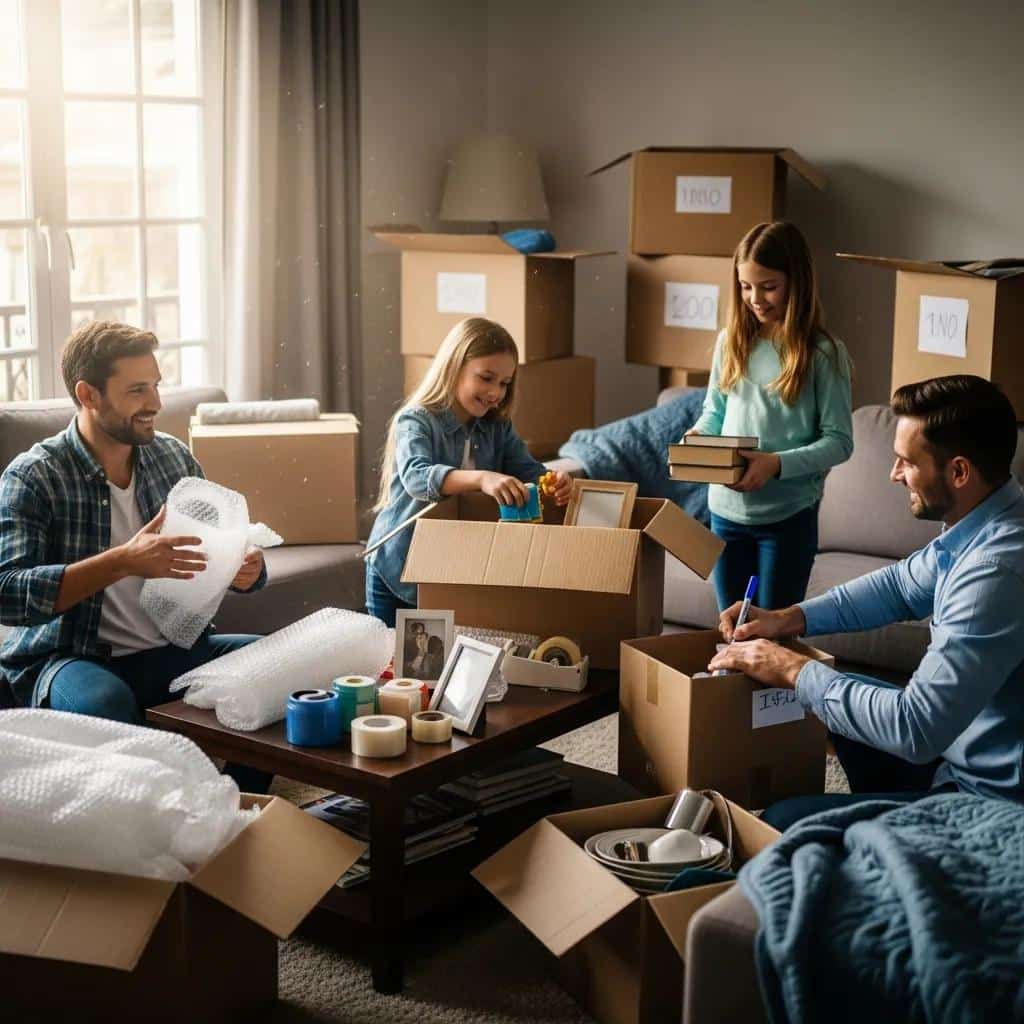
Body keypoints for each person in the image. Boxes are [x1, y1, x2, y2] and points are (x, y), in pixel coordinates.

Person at [709, 375, 1024, 829]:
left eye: (905, 462)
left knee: (781, 823)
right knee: (839, 695)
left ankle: (899, 825)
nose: (894, 474)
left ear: (959, 472)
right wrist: (787, 618)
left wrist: (792, 669)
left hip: (987, 798)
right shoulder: (985, 522)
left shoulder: (994, 574)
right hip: (954, 752)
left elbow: (914, 728)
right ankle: (886, 814)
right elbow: (898, 588)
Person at [0, 321, 270, 789]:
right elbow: (7, 594)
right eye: (138, 390)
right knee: (105, 705)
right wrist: (123, 560)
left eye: (157, 386)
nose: (156, 404)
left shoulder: (173, 459)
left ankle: (235, 809)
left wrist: (246, 568)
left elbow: (214, 549)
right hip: (73, 657)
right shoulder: (33, 477)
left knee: (273, 670)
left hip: (171, 649)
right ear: (89, 394)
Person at [688, 221, 854, 611]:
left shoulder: (824, 354)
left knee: (772, 639)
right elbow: (715, 413)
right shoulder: (730, 341)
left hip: (787, 521)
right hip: (725, 516)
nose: (755, 298)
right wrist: (698, 438)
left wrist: (775, 464)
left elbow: (840, 442)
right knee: (732, 633)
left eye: (768, 286)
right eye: (745, 286)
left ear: (796, 282)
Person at [365, 317, 573, 626]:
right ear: (454, 367)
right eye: (486, 378)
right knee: (395, 669)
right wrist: (482, 478)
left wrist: (556, 482)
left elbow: (529, 471)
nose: (495, 392)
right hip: (397, 570)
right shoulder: (416, 420)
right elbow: (416, 477)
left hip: (456, 570)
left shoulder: (497, 427)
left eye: (504, 383)